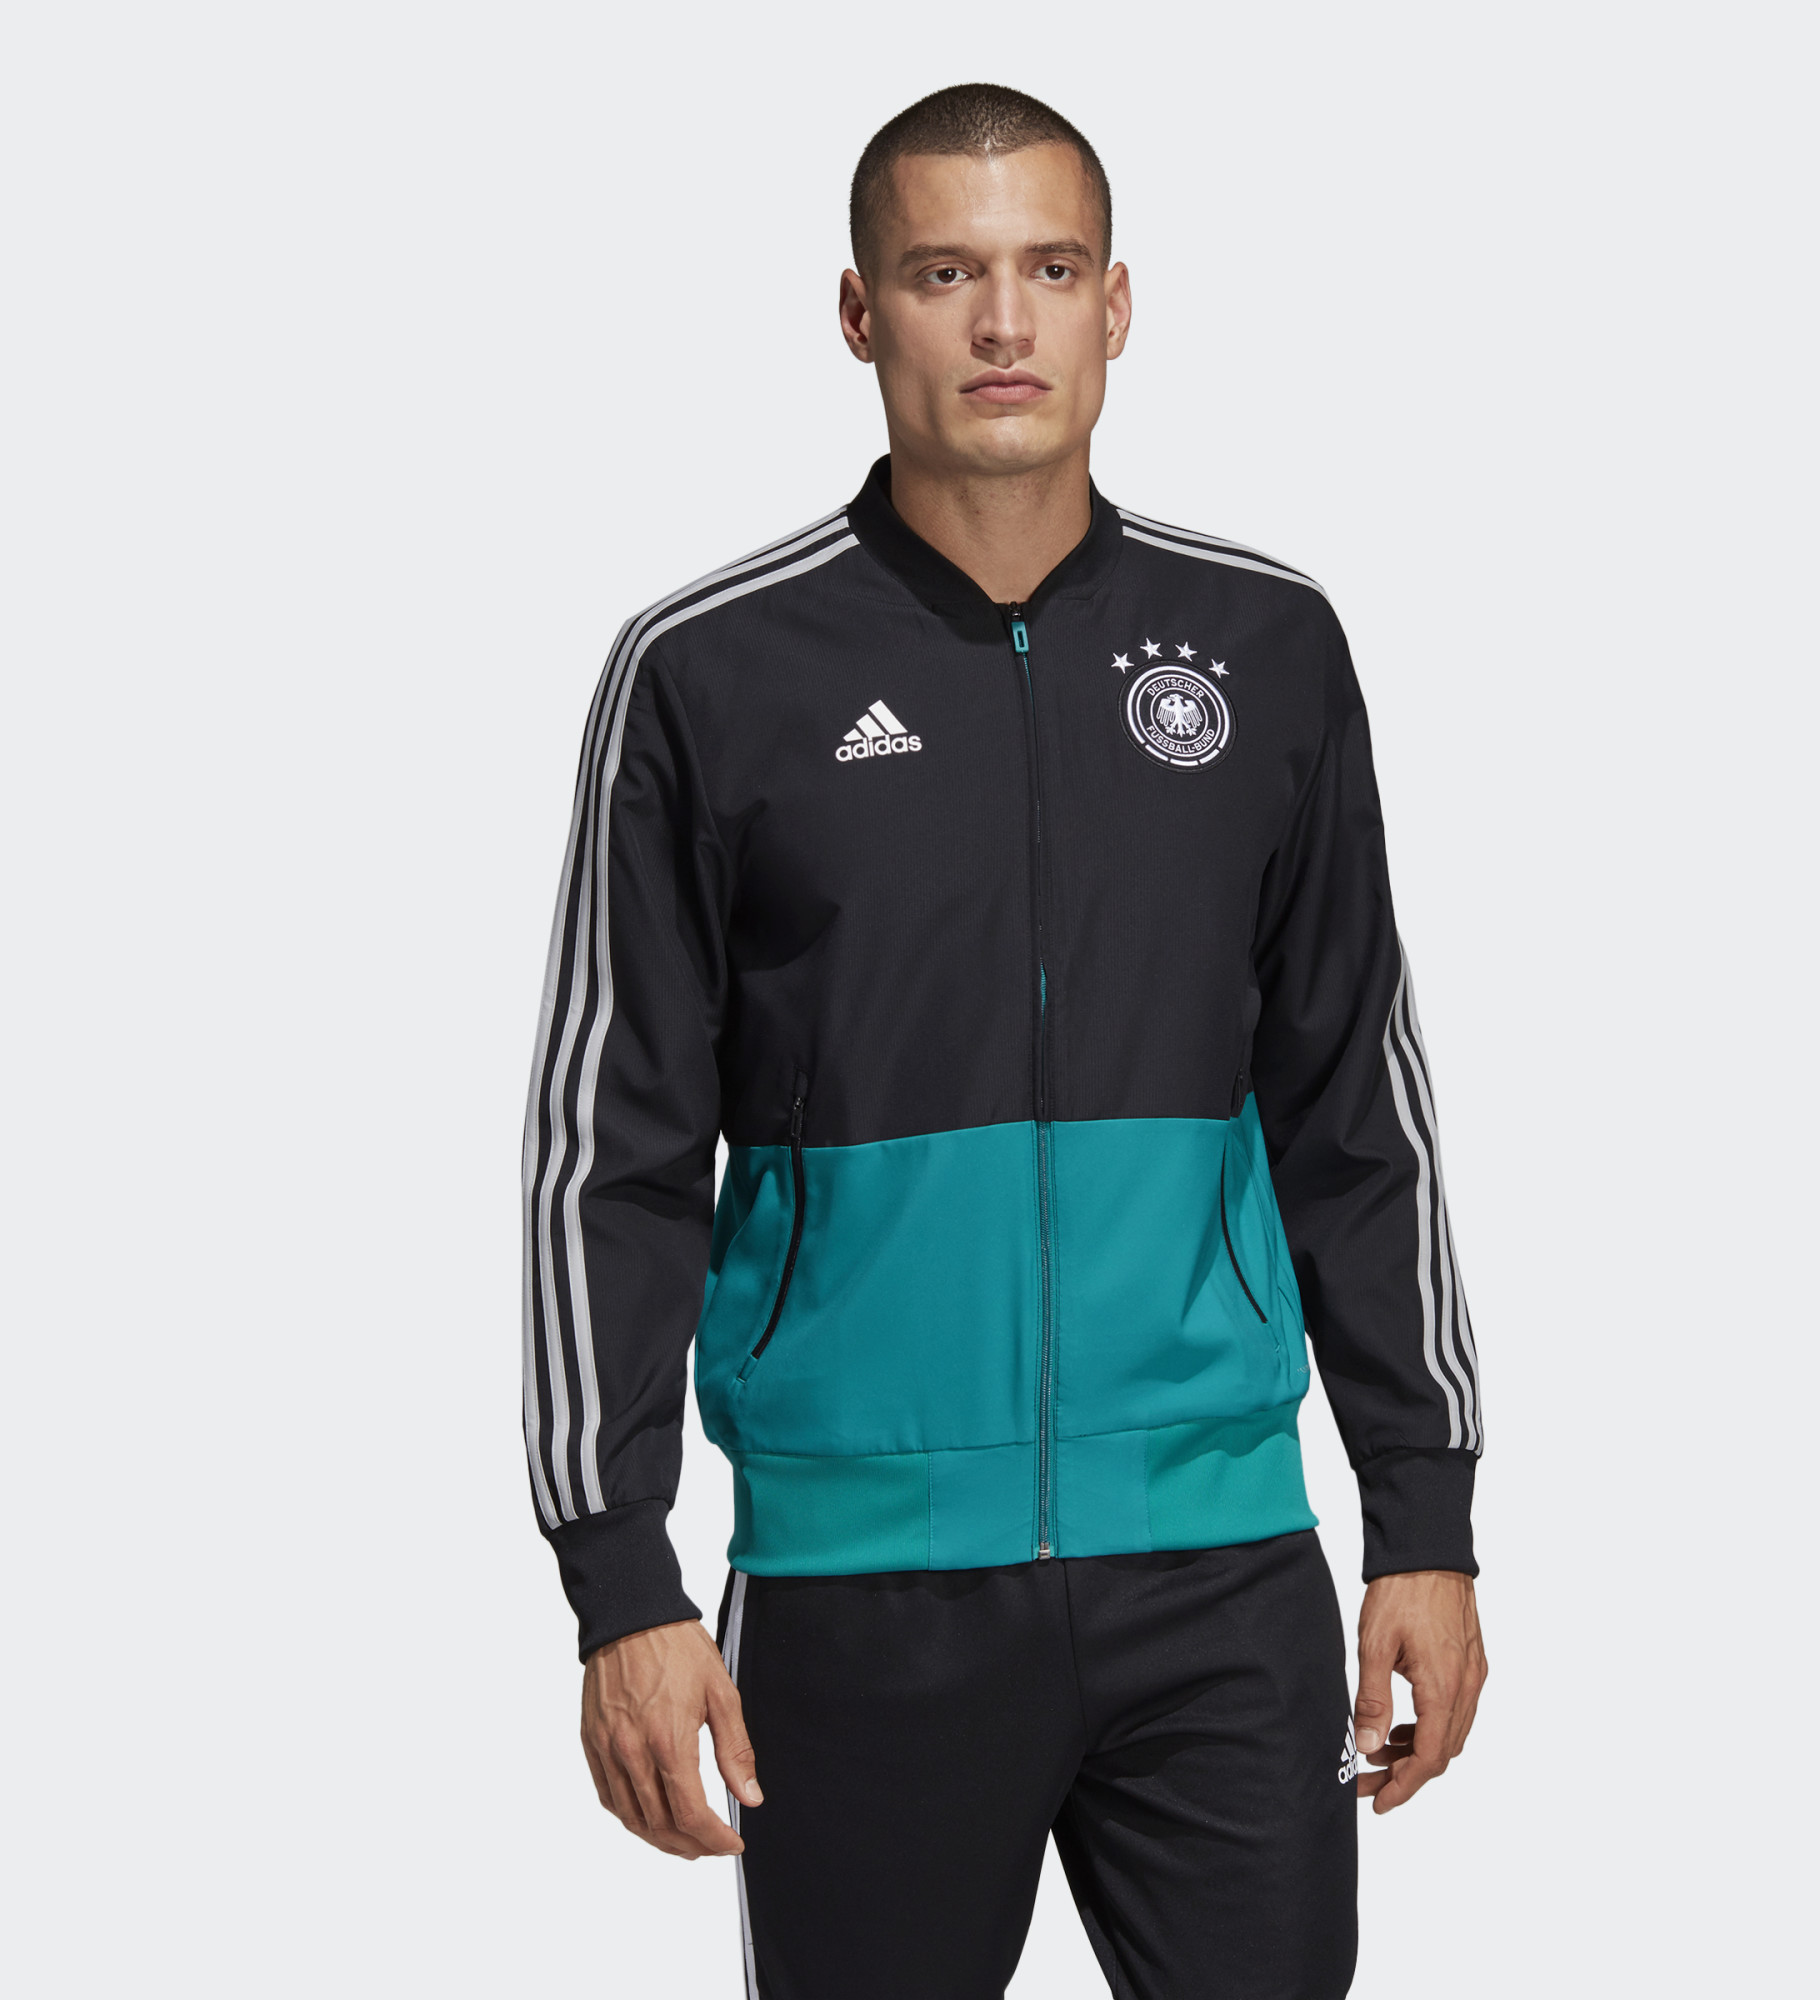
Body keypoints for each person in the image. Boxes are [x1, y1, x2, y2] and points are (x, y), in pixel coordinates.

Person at [522, 82, 1487, 2000]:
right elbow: (609, 1156)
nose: (1001, 324)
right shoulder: (708, 674)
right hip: (860, 1594)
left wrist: (1426, 1515)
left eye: (1049, 270)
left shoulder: (1268, 647)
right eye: (944, 273)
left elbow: (1354, 1108)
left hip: (1219, 1579)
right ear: (859, 312)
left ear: (1116, 307)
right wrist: (620, 1575)